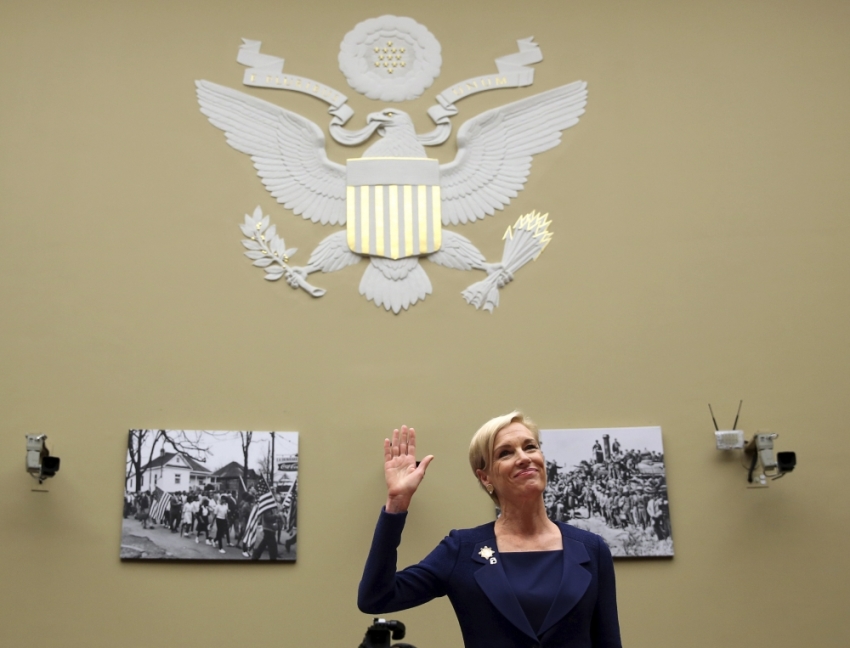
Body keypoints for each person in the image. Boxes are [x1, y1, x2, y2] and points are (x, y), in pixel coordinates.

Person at [358, 413, 622, 648]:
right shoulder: (461, 550)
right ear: (485, 478)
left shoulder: (591, 549)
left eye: (530, 447)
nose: (524, 458)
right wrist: (396, 504)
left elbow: (608, 641)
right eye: (505, 453)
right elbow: (376, 598)